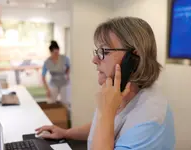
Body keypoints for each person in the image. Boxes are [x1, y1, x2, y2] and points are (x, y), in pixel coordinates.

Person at [36, 17, 175, 150]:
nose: (95, 59)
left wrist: (106, 111)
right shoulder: (116, 92)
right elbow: (103, 127)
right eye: (98, 51)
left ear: (134, 59)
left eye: (104, 51)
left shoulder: (150, 117)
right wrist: (66, 133)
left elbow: (107, 122)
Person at [42, 40, 70, 110]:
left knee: (65, 102)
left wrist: (67, 75)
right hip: (53, 84)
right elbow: (43, 76)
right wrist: (47, 90)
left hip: (64, 83)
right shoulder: (47, 62)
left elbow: (69, 66)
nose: (56, 54)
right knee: (50, 102)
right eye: (54, 53)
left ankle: (65, 118)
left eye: (57, 52)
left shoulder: (64, 58)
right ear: (51, 52)